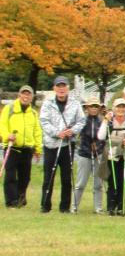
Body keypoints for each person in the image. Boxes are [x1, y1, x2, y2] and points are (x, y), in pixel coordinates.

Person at [39, 76, 85, 213]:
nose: (61, 89)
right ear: (54, 88)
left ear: (68, 88)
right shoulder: (48, 103)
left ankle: (64, 207)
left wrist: (73, 131)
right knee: (48, 177)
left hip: (67, 145)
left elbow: (81, 121)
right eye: (58, 86)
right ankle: (45, 205)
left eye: (64, 86)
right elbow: (44, 121)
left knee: (66, 178)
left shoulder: (75, 103)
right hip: (51, 145)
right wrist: (57, 133)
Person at [0, 85, 42, 208]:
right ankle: (11, 201)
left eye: (28, 94)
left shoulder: (33, 113)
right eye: (24, 94)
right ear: (19, 95)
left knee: (25, 177)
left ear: (32, 97)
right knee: (10, 176)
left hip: (27, 149)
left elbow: (37, 131)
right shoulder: (9, 109)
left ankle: (20, 197)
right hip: (12, 147)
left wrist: (38, 148)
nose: (26, 96)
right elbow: (2, 125)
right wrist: (7, 135)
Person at [103, 98, 125, 215]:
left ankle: (120, 207)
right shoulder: (108, 122)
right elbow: (100, 136)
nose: (121, 109)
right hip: (112, 156)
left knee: (122, 182)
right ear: (114, 108)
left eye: (123, 107)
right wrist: (105, 121)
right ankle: (111, 207)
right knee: (112, 182)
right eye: (118, 107)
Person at [73, 96, 106, 214]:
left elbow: (104, 137)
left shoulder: (102, 121)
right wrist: (88, 146)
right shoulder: (82, 120)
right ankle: (74, 206)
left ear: (99, 108)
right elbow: (78, 137)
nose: (94, 108)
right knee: (81, 183)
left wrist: (98, 146)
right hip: (84, 154)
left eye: (96, 106)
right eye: (91, 106)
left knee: (98, 183)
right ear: (87, 108)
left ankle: (98, 208)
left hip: (98, 154)